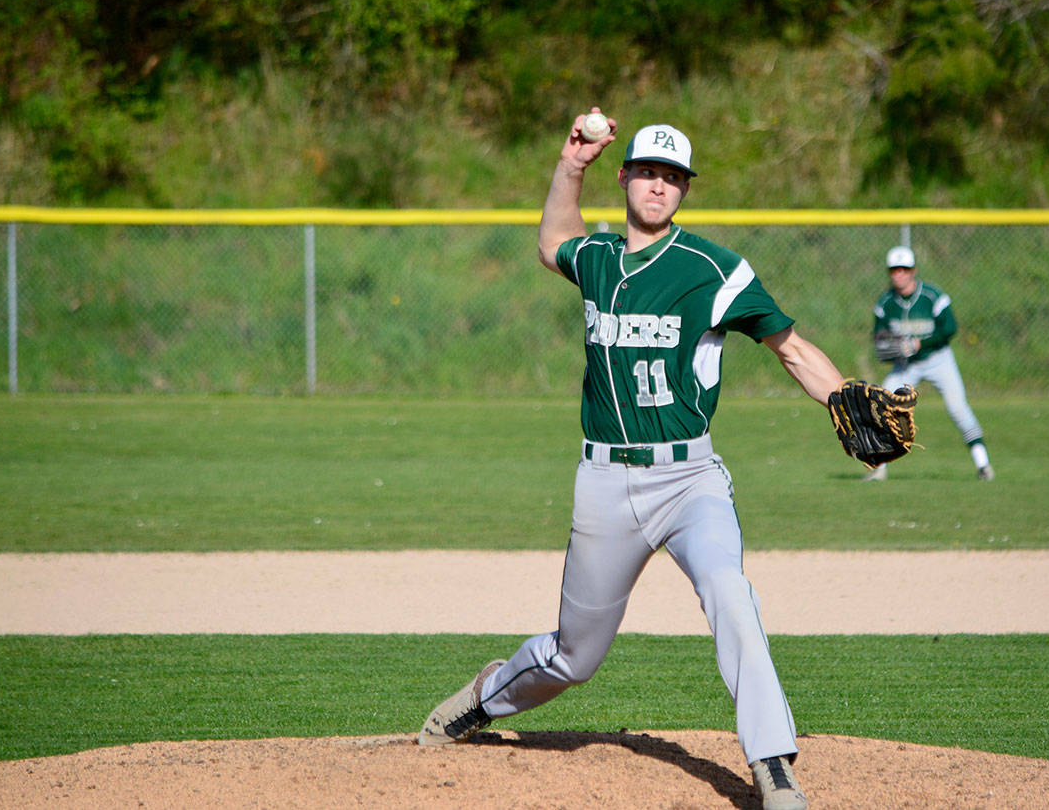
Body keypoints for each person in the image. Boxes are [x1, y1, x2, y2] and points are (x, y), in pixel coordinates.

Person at [416, 109, 850, 810]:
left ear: (685, 189)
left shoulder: (715, 270)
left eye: (672, 177)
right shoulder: (598, 259)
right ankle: (485, 696)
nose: (658, 185)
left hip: (689, 480)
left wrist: (843, 398)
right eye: (647, 171)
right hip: (604, 482)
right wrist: (571, 164)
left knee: (731, 593)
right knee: (574, 656)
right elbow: (553, 241)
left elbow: (793, 349)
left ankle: (773, 765)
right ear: (623, 177)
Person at [865, 244, 994, 481]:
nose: (899, 274)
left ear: (913, 271)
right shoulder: (885, 303)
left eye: (904, 269)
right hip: (906, 365)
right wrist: (888, 346)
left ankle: (983, 464)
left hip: (938, 359)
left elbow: (950, 328)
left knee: (958, 408)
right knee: (881, 406)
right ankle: (879, 469)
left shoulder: (932, 296)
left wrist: (920, 344)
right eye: (894, 270)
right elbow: (879, 336)